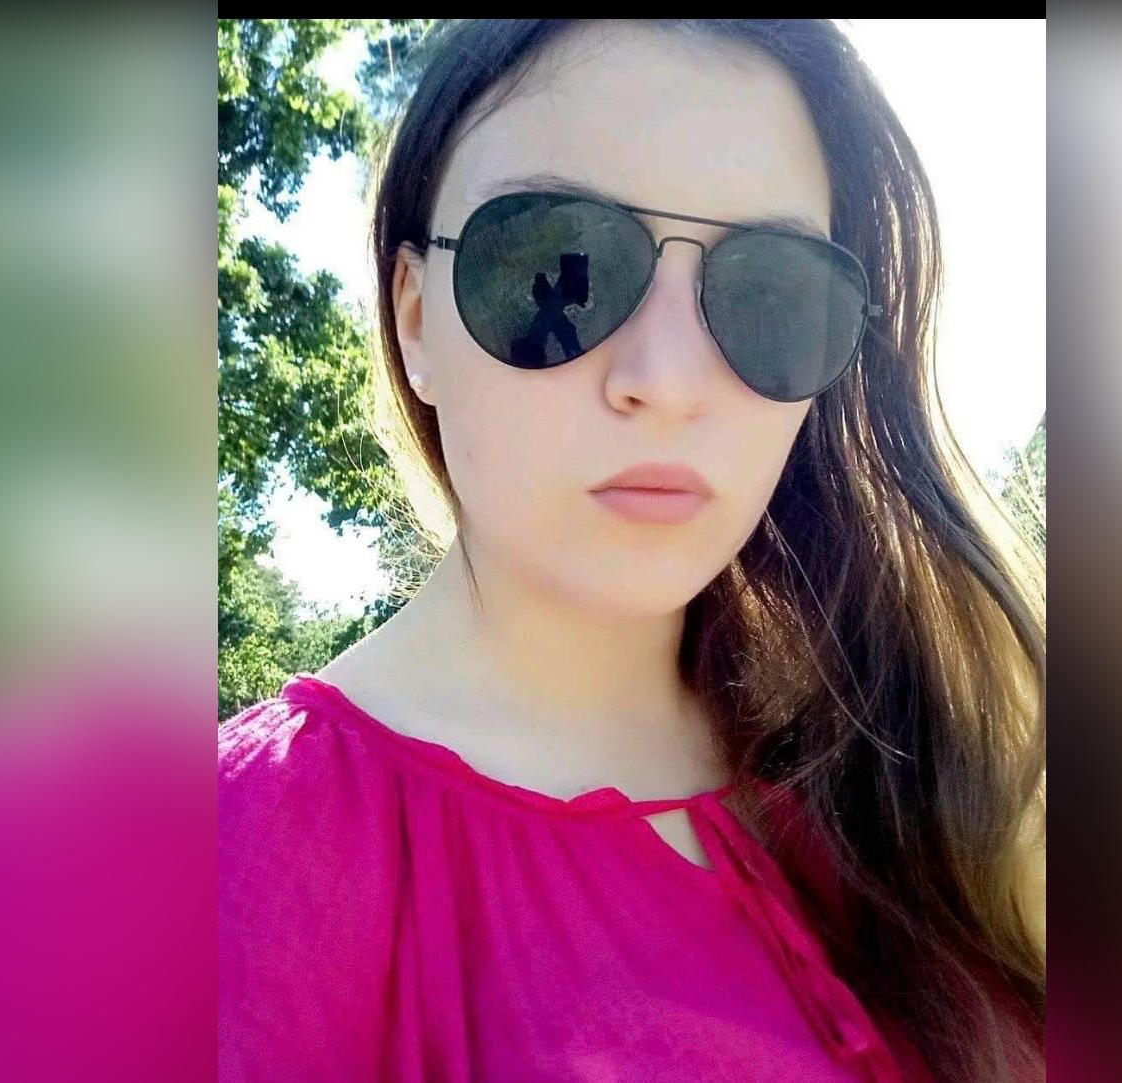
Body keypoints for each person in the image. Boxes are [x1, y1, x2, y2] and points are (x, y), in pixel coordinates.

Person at [218, 19, 1045, 1082]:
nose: (668, 378)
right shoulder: (218, 866)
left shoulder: (939, 784)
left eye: (770, 291)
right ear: (414, 320)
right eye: (553, 267)